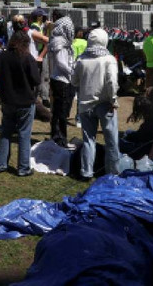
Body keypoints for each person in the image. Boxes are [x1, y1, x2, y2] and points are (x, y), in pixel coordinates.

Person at [71, 28, 120, 180]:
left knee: (88, 140)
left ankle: (86, 171)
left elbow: (74, 81)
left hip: (86, 104)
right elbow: (112, 81)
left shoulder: (81, 59)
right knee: (111, 140)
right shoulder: (109, 59)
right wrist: (113, 99)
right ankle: (112, 172)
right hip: (105, 104)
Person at [0, 30, 40, 176]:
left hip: (7, 100)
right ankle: (23, 167)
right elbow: (36, 80)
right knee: (24, 134)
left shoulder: (2, 57)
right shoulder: (27, 58)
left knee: (6, 132)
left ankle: (1, 164)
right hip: (25, 101)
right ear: (26, 43)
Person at [48, 10, 75, 147]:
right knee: (60, 113)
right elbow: (61, 62)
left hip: (63, 78)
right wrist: (72, 73)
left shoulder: (61, 39)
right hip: (61, 79)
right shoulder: (59, 40)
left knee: (60, 112)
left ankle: (58, 137)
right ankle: (59, 139)